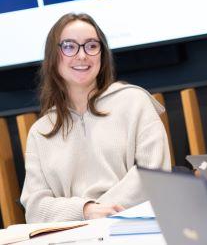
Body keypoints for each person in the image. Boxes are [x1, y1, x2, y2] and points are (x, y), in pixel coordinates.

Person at [20, 13, 171, 223]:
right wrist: (86, 210)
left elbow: (155, 177)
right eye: (69, 46)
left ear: (102, 54)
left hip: (133, 229)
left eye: (91, 46)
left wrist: (103, 212)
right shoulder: (40, 131)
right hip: (73, 237)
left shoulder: (135, 101)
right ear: (53, 57)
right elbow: (35, 209)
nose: (82, 55)